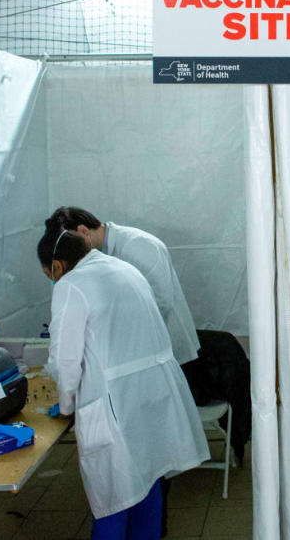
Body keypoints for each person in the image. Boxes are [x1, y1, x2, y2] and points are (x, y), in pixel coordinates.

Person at [38, 230, 210, 539]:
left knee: (113, 498)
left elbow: (66, 360)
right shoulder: (124, 268)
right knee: (148, 480)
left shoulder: (70, 285)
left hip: (115, 404)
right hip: (152, 396)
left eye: (49, 274)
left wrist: (66, 405)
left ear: (57, 266)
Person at [44, 207, 201, 366]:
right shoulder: (99, 255)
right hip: (137, 352)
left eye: (71, 245)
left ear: (84, 231)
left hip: (164, 349)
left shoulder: (139, 245)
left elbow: (162, 303)